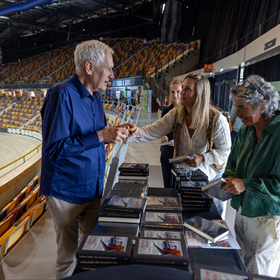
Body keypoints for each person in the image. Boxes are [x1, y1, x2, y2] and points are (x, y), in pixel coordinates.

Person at [40, 40, 137, 279]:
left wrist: (116, 131)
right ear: (90, 67)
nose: (112, 75)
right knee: (68, 258)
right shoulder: (60, 94)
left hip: (92, 189)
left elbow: (94, 139)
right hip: (66, 193)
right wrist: (102, 135)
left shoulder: (95, 98)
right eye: (109, 69)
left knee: (92, 250)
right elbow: (54, 149)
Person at [133, 72, 231, 218]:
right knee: (186, 219)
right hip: (186, 180)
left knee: (210, 224)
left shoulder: (217, 119)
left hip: (210, 180)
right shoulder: (175, 114)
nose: (181, 93)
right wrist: (126, 133)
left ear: (200, 94)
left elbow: (224, 152)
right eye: (182, 88)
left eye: (187, 89)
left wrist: (203, 158)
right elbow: (151, 131)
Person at [222, 75, 280, 277]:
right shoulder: (247, 130)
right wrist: (227, 181)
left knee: (259, 271)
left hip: (267, 218)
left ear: (262, 105)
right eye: (235, 107)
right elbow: (232, 163)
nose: (236, 114)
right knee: (241, 266)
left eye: (242, 108)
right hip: (242, 212)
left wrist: (246, 184)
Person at [160, 79, 182, 188]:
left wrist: (178, 141)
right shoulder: (166, 111)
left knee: (179, 186)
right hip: (167, 152)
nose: (175, 95)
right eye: (172, 92)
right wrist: (163, 137)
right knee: (167, 185)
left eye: (178, 91)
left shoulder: (188, 111)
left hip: (181, 153)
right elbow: (161, 130)